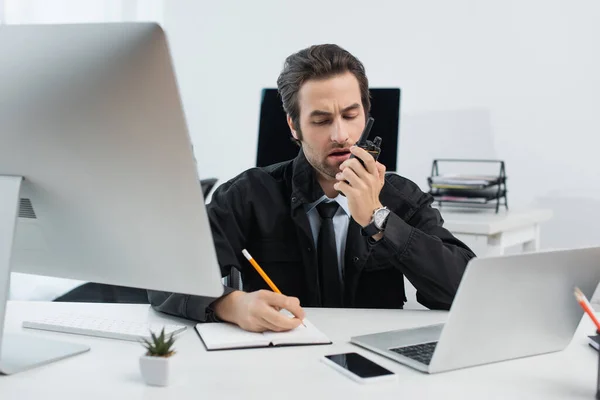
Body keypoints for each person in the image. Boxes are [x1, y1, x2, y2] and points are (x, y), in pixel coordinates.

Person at [148, 44, 476, 332]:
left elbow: (467, 292)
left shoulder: (401, 197)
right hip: (277, 364)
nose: (341, 135)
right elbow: (167, 279)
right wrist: (231, 305)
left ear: (367, 115)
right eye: (320, 121)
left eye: (351, 115)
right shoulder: (249, 194)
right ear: (294, 126)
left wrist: (380, 221)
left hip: (375, 366)